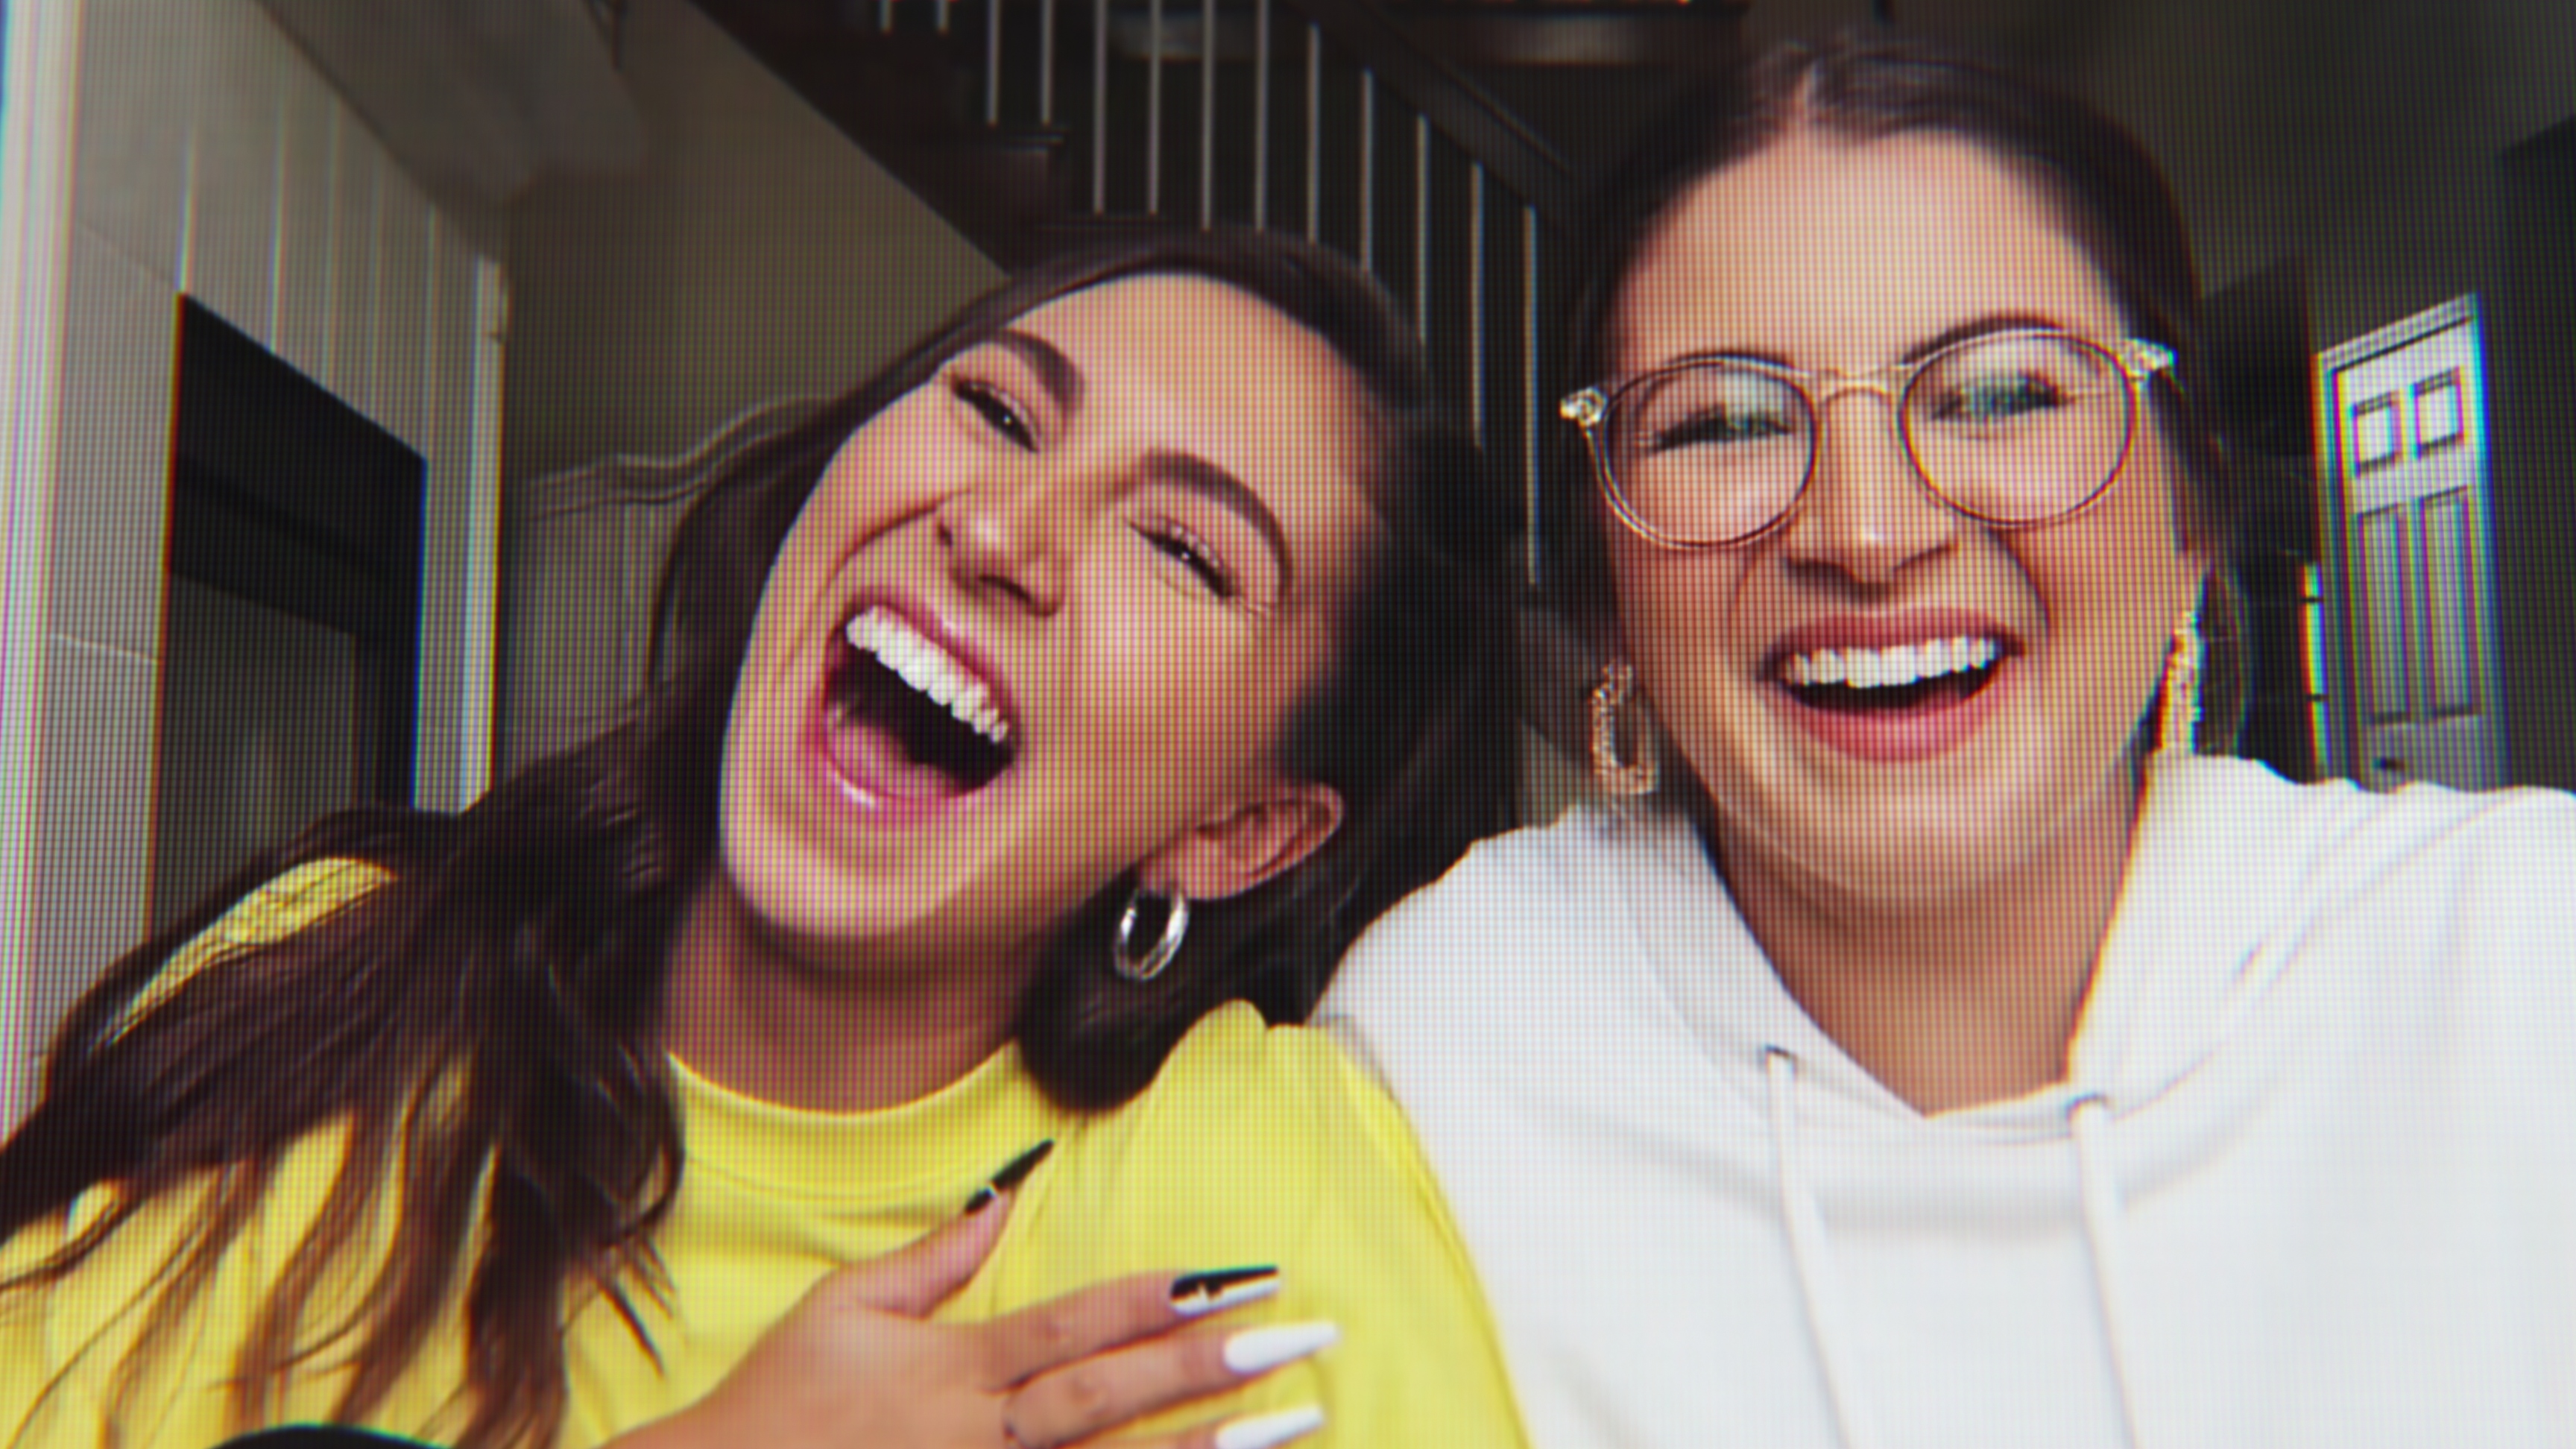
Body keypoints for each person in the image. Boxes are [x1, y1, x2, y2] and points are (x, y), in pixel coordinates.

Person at [0, 230, 1531, 1449]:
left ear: (1239, 829)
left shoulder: (1240, 1179)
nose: (1000, 533)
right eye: (998, 412)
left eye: (1182, 549)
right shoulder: (331, 960)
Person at [1319, 34, 2576, 1449]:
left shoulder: (2517, 957)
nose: (1868, 530)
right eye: (1725, 422)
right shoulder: (1456, 1033)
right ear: (1607, 590)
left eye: (2000, 394)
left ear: (2188, 518)